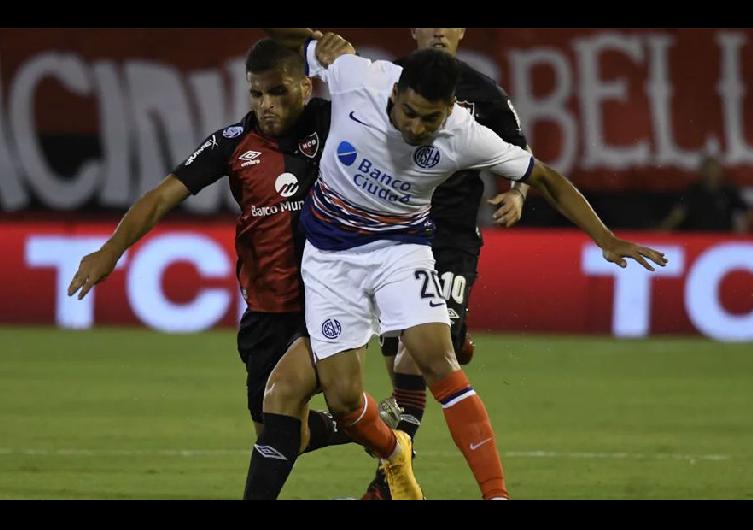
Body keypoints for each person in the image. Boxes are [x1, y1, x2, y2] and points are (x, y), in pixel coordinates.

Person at [247, 29, 667, 501]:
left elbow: (543, 175)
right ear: (396, 91)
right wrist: (314, 38)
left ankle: (497, 494)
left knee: (436, 360)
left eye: (431, 118)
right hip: (329, 260)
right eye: (409, 113)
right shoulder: (355, 77)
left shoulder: (465, 132)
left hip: (400, 250)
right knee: (344, 401)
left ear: (448, 110)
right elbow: (287, 47)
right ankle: (394, 453)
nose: (417, 128)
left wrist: (604, 239)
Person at [66, 38, 364, 500]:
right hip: (266, 309)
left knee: (281, 407)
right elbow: (164, 195)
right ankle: (373, 427)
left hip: (327, 299)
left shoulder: (334, 124)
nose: (266, 105)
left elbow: (387, 116)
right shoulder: (232, 144)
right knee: (283, 432)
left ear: (306, 87)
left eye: (278, 92)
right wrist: (111, 249)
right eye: (257, 94)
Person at [364, 27, 531, 500]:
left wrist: (517, 194)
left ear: (462, 31)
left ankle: (390, 480)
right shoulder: (383, 81)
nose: (439, 29)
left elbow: (522, 156)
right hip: (392, 236)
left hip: (451, 239)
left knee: (414, 357)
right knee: (399, 356)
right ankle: (453, 334)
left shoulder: (484, 92)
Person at [659, 154, 752, 233]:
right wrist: (662, 230)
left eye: (714, 170)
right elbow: (679, 213)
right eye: (708, 170)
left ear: (720, 172)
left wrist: (740, 231)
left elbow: (748, 211)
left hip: (722, 238)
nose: (711, 173)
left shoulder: (728, 191)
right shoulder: (693, 191)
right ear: (701, 172)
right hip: (699, 237)